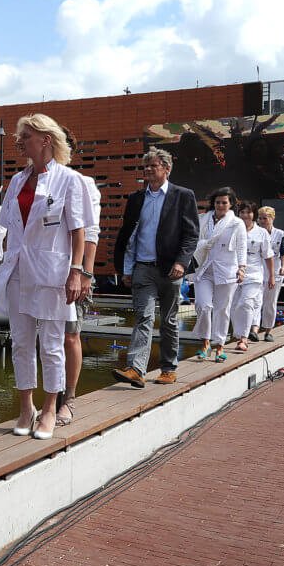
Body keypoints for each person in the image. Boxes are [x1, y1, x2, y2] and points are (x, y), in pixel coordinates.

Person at [0, 114, 88, 440]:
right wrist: (2, 261)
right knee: (22, 342)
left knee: (52, 345)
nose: (19, 142)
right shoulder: (16, 180)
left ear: (45, 139)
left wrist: (76, 272)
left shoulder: (69, 180)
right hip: (18, 272)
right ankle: (26, 406)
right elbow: (10, 228)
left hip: (54, 273)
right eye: (18, 137)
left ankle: (51, 407)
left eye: (25, 136)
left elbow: (78, 231)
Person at [112, 148, 199, 388]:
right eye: (146, 166)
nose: (148, 169)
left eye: (154, 165)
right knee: (143, 317)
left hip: (171, 269)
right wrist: (126, 269)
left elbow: (192, 234)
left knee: (169, 320)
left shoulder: (183, 195)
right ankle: (136, 369)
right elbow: (129, 236)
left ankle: (168, 368)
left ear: (167, 169)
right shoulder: (136, 199)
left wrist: (182, 262)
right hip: (143, 268)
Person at [58, 130, 101, 426]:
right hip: (43, 272)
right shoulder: (33, 181)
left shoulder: (83, 183)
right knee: (47, 339)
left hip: (72, 271)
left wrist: (85, 272)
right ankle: (50, 397)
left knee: (71, 334)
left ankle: (68, 399)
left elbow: (92, 231)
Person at [191, 187, 246, 364]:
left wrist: (242, 268)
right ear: (213, 203)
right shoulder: (202, 219)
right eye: (217, 202)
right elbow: (192, 240)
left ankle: (220, 345)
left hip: (226, 270)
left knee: (222, 309)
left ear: (230, 204)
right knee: (203, 305)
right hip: (204, 269)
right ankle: (205, 342)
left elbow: (241, 247)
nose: (220, 205)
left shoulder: (237, 223)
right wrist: (203, 244)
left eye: (224, 202)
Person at [230, 201, 273, 352]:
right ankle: (238, 334)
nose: (245, 215)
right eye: (242, 212)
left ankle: (244, 339)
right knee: (234, 307)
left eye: (248, 212)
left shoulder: (261, 233)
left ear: (254, 214)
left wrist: (271, 276)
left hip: (254, 275)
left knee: (245, 304)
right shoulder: (233, 229)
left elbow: (268, 256)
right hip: (233, 275)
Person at [257, 206, 284, 341]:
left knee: (270, 302)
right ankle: (252, 330)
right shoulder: (254, 233)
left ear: (272, 218)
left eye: (265, 218)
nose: (262, 221)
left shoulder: (280, 234)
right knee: (255, 302)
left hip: (275, 273)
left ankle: (267, 331)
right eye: (260, 218)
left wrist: (283, 267)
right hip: (257, 272)